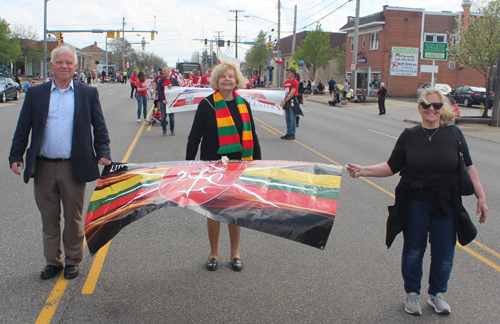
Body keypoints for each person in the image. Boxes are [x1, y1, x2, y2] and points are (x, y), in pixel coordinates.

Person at [346, 89, 488, 316]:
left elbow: (469, 167)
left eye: (437, 105)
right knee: (413, 250)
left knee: (444, 253)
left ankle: (437, 295)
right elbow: (392, 167)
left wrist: (481, 197)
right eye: (426, 105)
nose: (431, 109)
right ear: (419, 107)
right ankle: (412, 293)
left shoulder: (454, 134)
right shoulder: (409, 135)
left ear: (443, 109)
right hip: (416, 204)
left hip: (446, 204)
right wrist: (363, 171)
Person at [9, 46, 112, 280]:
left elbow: (100, 127)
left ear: (75, 66)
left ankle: (73, 260)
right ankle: (52, 261)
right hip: (43, 166)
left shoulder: (87, 93)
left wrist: (102, 152)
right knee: (49, 218)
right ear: (51, 65)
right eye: (59, 62)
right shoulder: (36, 94)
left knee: (73, 218)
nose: (64, 66)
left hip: (73, 167)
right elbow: (23, 127)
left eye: (68, 62)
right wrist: (16, 155)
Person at [186, 60, 261, 272]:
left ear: (237, 80)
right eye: (222, 76)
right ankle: (213, 253)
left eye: (231, 76)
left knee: (235, 211)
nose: (227, 79)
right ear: (216, 81)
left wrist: (257, 164)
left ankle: (235, 253)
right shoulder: (206, 105)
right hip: (212, 166)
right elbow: (194, 137)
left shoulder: (243, 105)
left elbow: (252, 137)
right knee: (214, 212)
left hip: (239, 165)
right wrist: (189, 166)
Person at [280, 67, 300, 140]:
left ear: (293, 74)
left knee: (292, 118)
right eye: (287, 72)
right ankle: (288, 133)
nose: (287, 74)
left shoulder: (295, 82)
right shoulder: (286, 82)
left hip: (292, 101)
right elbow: (283, 91)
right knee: (287, 118)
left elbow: (292, 93)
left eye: (289, 72)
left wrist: (285, 100)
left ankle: (292, 133)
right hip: (287, 101)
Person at [157, 67, 173, 136]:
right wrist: (163, 99)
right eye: (163, 71)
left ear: (168, 72)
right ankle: (164, 130)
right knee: (163, 117)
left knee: (172, 117)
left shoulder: (173, 80)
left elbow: (178, 87)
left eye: (165, 71)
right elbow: (159, 91)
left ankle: (172, 129)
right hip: (163, 101)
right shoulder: (161, 81)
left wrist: (172, 85)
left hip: (171, 102)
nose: (163, 72)